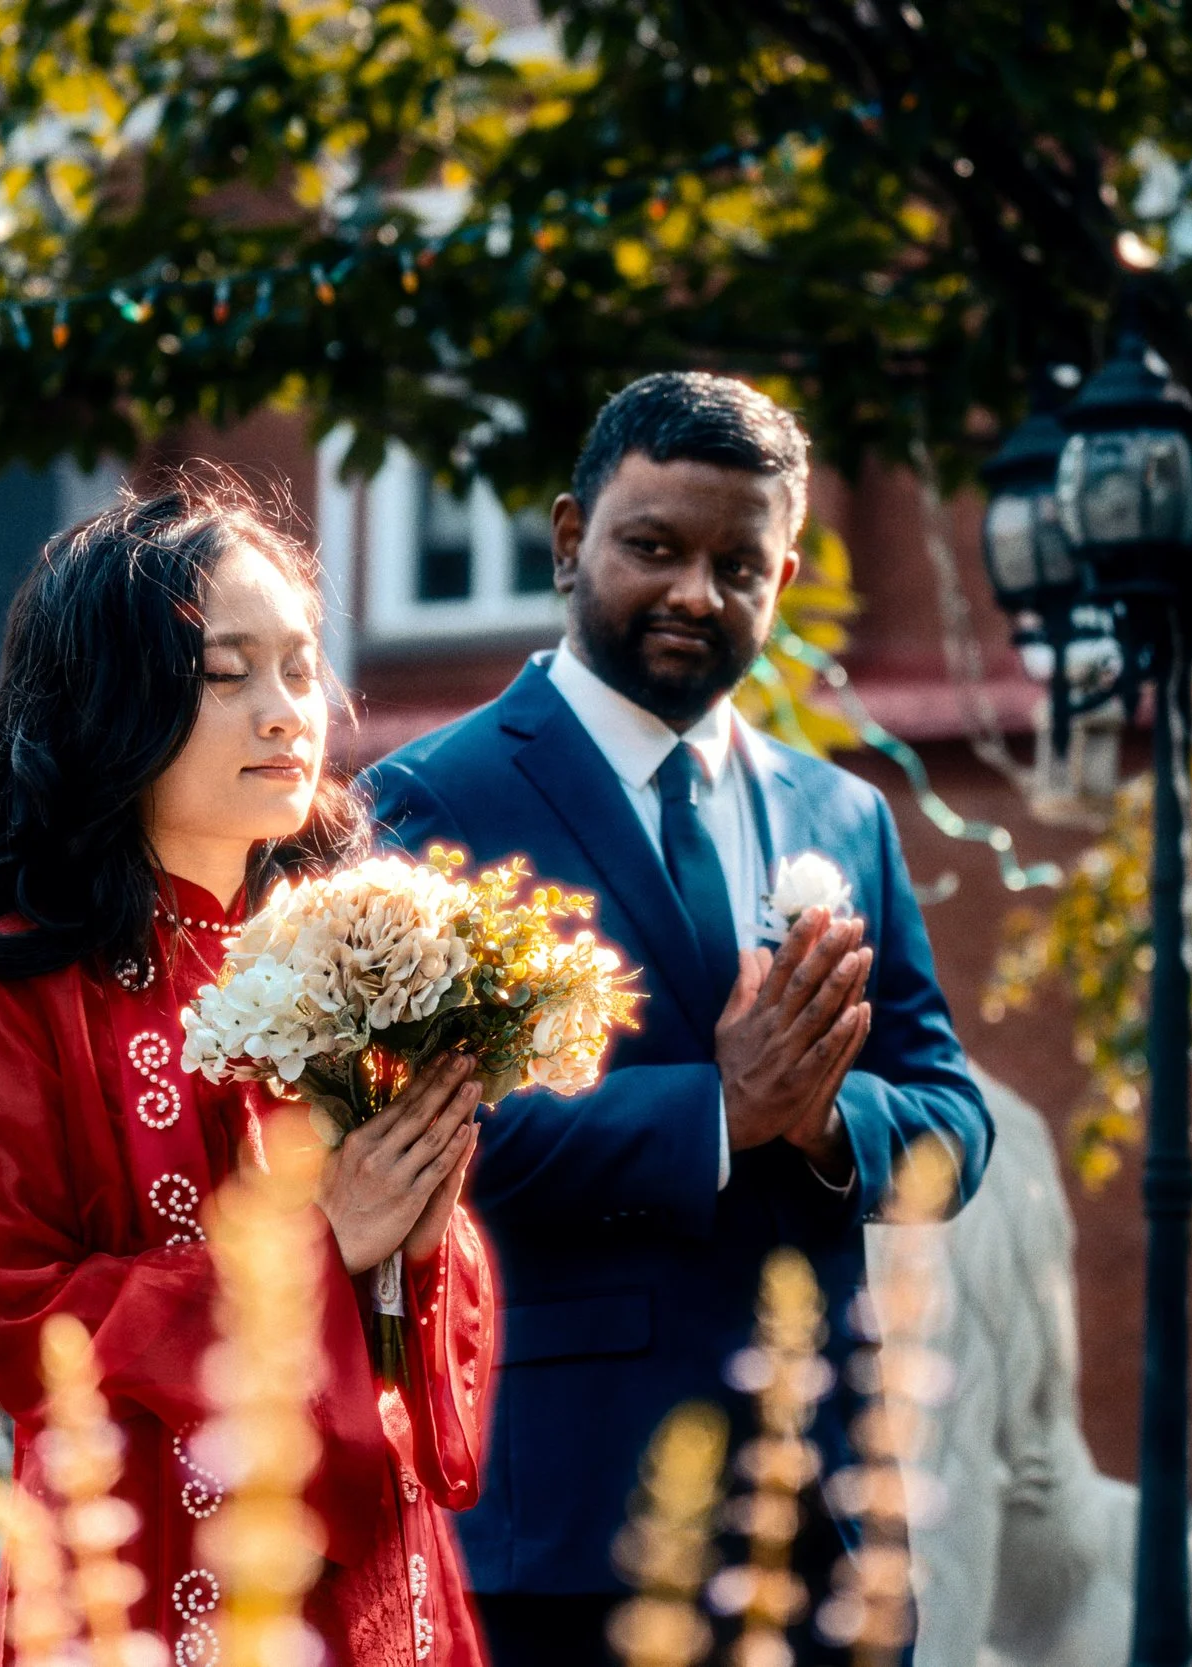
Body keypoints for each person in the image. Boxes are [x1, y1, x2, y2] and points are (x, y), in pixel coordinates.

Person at [361, 372, 991, 1665]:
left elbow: (952, 1113)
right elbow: (421, 1134)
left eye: (738, 562)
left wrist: (824, 1120)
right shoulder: (430, 802)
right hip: (568, 1515)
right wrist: (717, 1112)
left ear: (785, 569)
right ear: (567, 536)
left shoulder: (844, 814)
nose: (697, 591)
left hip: (822, 1515)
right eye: (654, 546)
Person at [0, 477, 497, 1667]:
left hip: (375, 1568)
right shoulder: (20, 987)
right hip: (149, 1555)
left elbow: (411, 1278)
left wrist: (427, 1229)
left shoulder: (355, 964)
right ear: (110, 700)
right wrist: (309, 1244)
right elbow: (19, 1317)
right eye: (227, 673)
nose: (287, 713)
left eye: (300, 664)